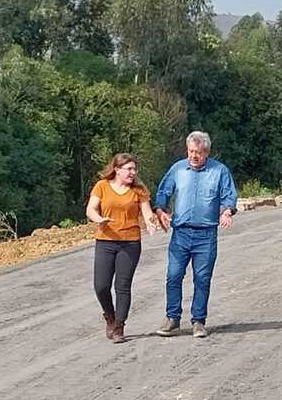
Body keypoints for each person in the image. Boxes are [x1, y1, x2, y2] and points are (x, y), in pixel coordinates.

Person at [153, 132, 238, 339]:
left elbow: (229, 195)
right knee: (173, 275)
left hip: (206, 235)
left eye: (198, 152)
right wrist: (160, 210)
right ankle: (172, 318)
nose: (194, 156)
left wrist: (227, 211)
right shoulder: (178, 169)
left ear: (206, 152)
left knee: (202, 278)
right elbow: (163, 192)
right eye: (191, 151)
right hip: (180, 233)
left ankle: (198, 321)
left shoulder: (219, 171)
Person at [86, 153, 156, 343]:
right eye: (129, 169)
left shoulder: (139, 190)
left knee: (122, 286)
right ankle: (109, 316)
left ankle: (119, 327)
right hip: (105, 240)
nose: (133, 173)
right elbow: (90, 209)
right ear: (117, 169)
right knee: (101, 286)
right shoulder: (102, 186)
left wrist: (150, 222)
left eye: (135, 169)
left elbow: (147, 212)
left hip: (130, 242)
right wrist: (99, 219)